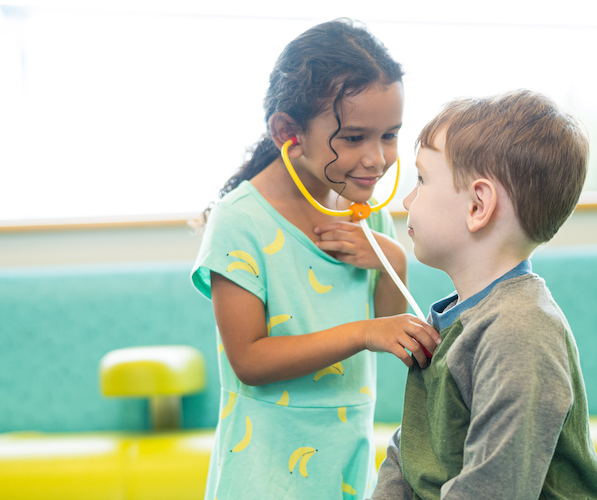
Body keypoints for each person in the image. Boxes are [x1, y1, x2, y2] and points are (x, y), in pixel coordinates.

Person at [191, 19, 440, 499]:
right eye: (353, 138)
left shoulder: (364, 212)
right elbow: (249, 359)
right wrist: (364, 334)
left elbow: (388, 326)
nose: (376, 159)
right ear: (290, 131)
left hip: (344, 463)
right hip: (262, 475)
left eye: (389, 135)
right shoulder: (240, 221)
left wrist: (390, 257)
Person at [370, 89, 597, 500]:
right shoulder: (457, 318)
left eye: (422, 179)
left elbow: (493, 488)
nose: (408, 198)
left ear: (478, 205)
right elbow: (413, 451)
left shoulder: (520, 331)